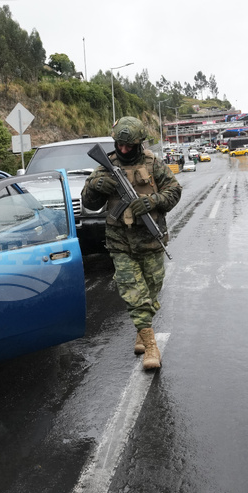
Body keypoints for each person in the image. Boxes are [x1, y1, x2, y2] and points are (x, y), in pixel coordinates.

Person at [81, 116, 182, 370]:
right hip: (119, 241)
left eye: (129, 146)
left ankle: (141, 329)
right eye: (119, 145)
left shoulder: (153, 163)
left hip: (150, 239)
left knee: (151, 289)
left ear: (139, 143)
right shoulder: (106, 166)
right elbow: (88, 202)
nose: (123, 150)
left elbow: (174, 190)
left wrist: (154, 201)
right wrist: (95, 186)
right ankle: (150, 346)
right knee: (133, 292)